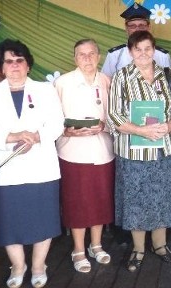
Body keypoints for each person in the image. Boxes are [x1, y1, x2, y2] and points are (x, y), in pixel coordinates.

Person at [0, 39, 64, 288]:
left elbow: (57, 123)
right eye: (9, 61)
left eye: (19, 60)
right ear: (2, 67)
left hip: (41, 167)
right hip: (5, 170)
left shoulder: (46, 90)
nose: (14, 65)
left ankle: (37, 266)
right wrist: (11, 137)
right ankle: (18, 265)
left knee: (43, 219)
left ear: (28, 65)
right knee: (8, 221)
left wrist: (36, 136)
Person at [107, 31, 171, 272]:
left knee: (161, 198)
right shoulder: (121, 76)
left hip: (163, 150)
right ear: (130, 52)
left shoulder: (168, 74)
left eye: (147, 48)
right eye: (137, 49)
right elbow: (114, 115)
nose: (143, 54)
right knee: (135, 200)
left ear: (154, 50)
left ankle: (160, 245)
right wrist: (141, 131)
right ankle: (138, 248)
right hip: (133, 152)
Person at [54, 39, 114, 273]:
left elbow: (115, 115)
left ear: (99, 57)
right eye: (82, 54)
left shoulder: (107, 81)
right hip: (72, 152)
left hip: (103, 150)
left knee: (100, 198)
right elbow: (51, 117)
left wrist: (104, 125)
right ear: (74, 58)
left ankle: (96, 245)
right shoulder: (63, 83)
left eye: (91, 54)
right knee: (77, 201)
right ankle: (78, 248)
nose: (87, 58)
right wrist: (65, 130)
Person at [102, 3, 171, 78]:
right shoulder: (115, 55)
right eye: (132, 26)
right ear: (126, 28)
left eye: (141, 25)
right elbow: (106, 84)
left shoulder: (163, 56)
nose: (137, 29)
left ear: (148, 27)